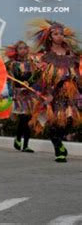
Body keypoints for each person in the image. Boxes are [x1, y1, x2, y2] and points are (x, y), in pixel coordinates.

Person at [26, 19, 81, 162]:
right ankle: (59, 150)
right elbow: (38, 73)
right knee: (53, 123)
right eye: (56, 34)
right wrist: (29, 81)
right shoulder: (45, 55)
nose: (59, 36)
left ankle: (58, 142)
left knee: (69, 121)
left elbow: (77, 71)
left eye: (61, 34)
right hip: (52, 92)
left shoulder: (70, 52)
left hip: (69, 92)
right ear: (50, 37)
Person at [4, 41, 38, 153]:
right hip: (19, 94)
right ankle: (19, 138)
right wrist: (11, 93)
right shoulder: (12, 64)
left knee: (27, 119)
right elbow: (11, 80)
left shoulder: (33, 63)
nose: (23, 50)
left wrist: (30, 83)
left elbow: (36, 77)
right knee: (23, 118)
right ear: (16, 51)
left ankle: (26, 145)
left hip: (30, 94)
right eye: (20, 48)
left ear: (27, 49)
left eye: (25, 48)